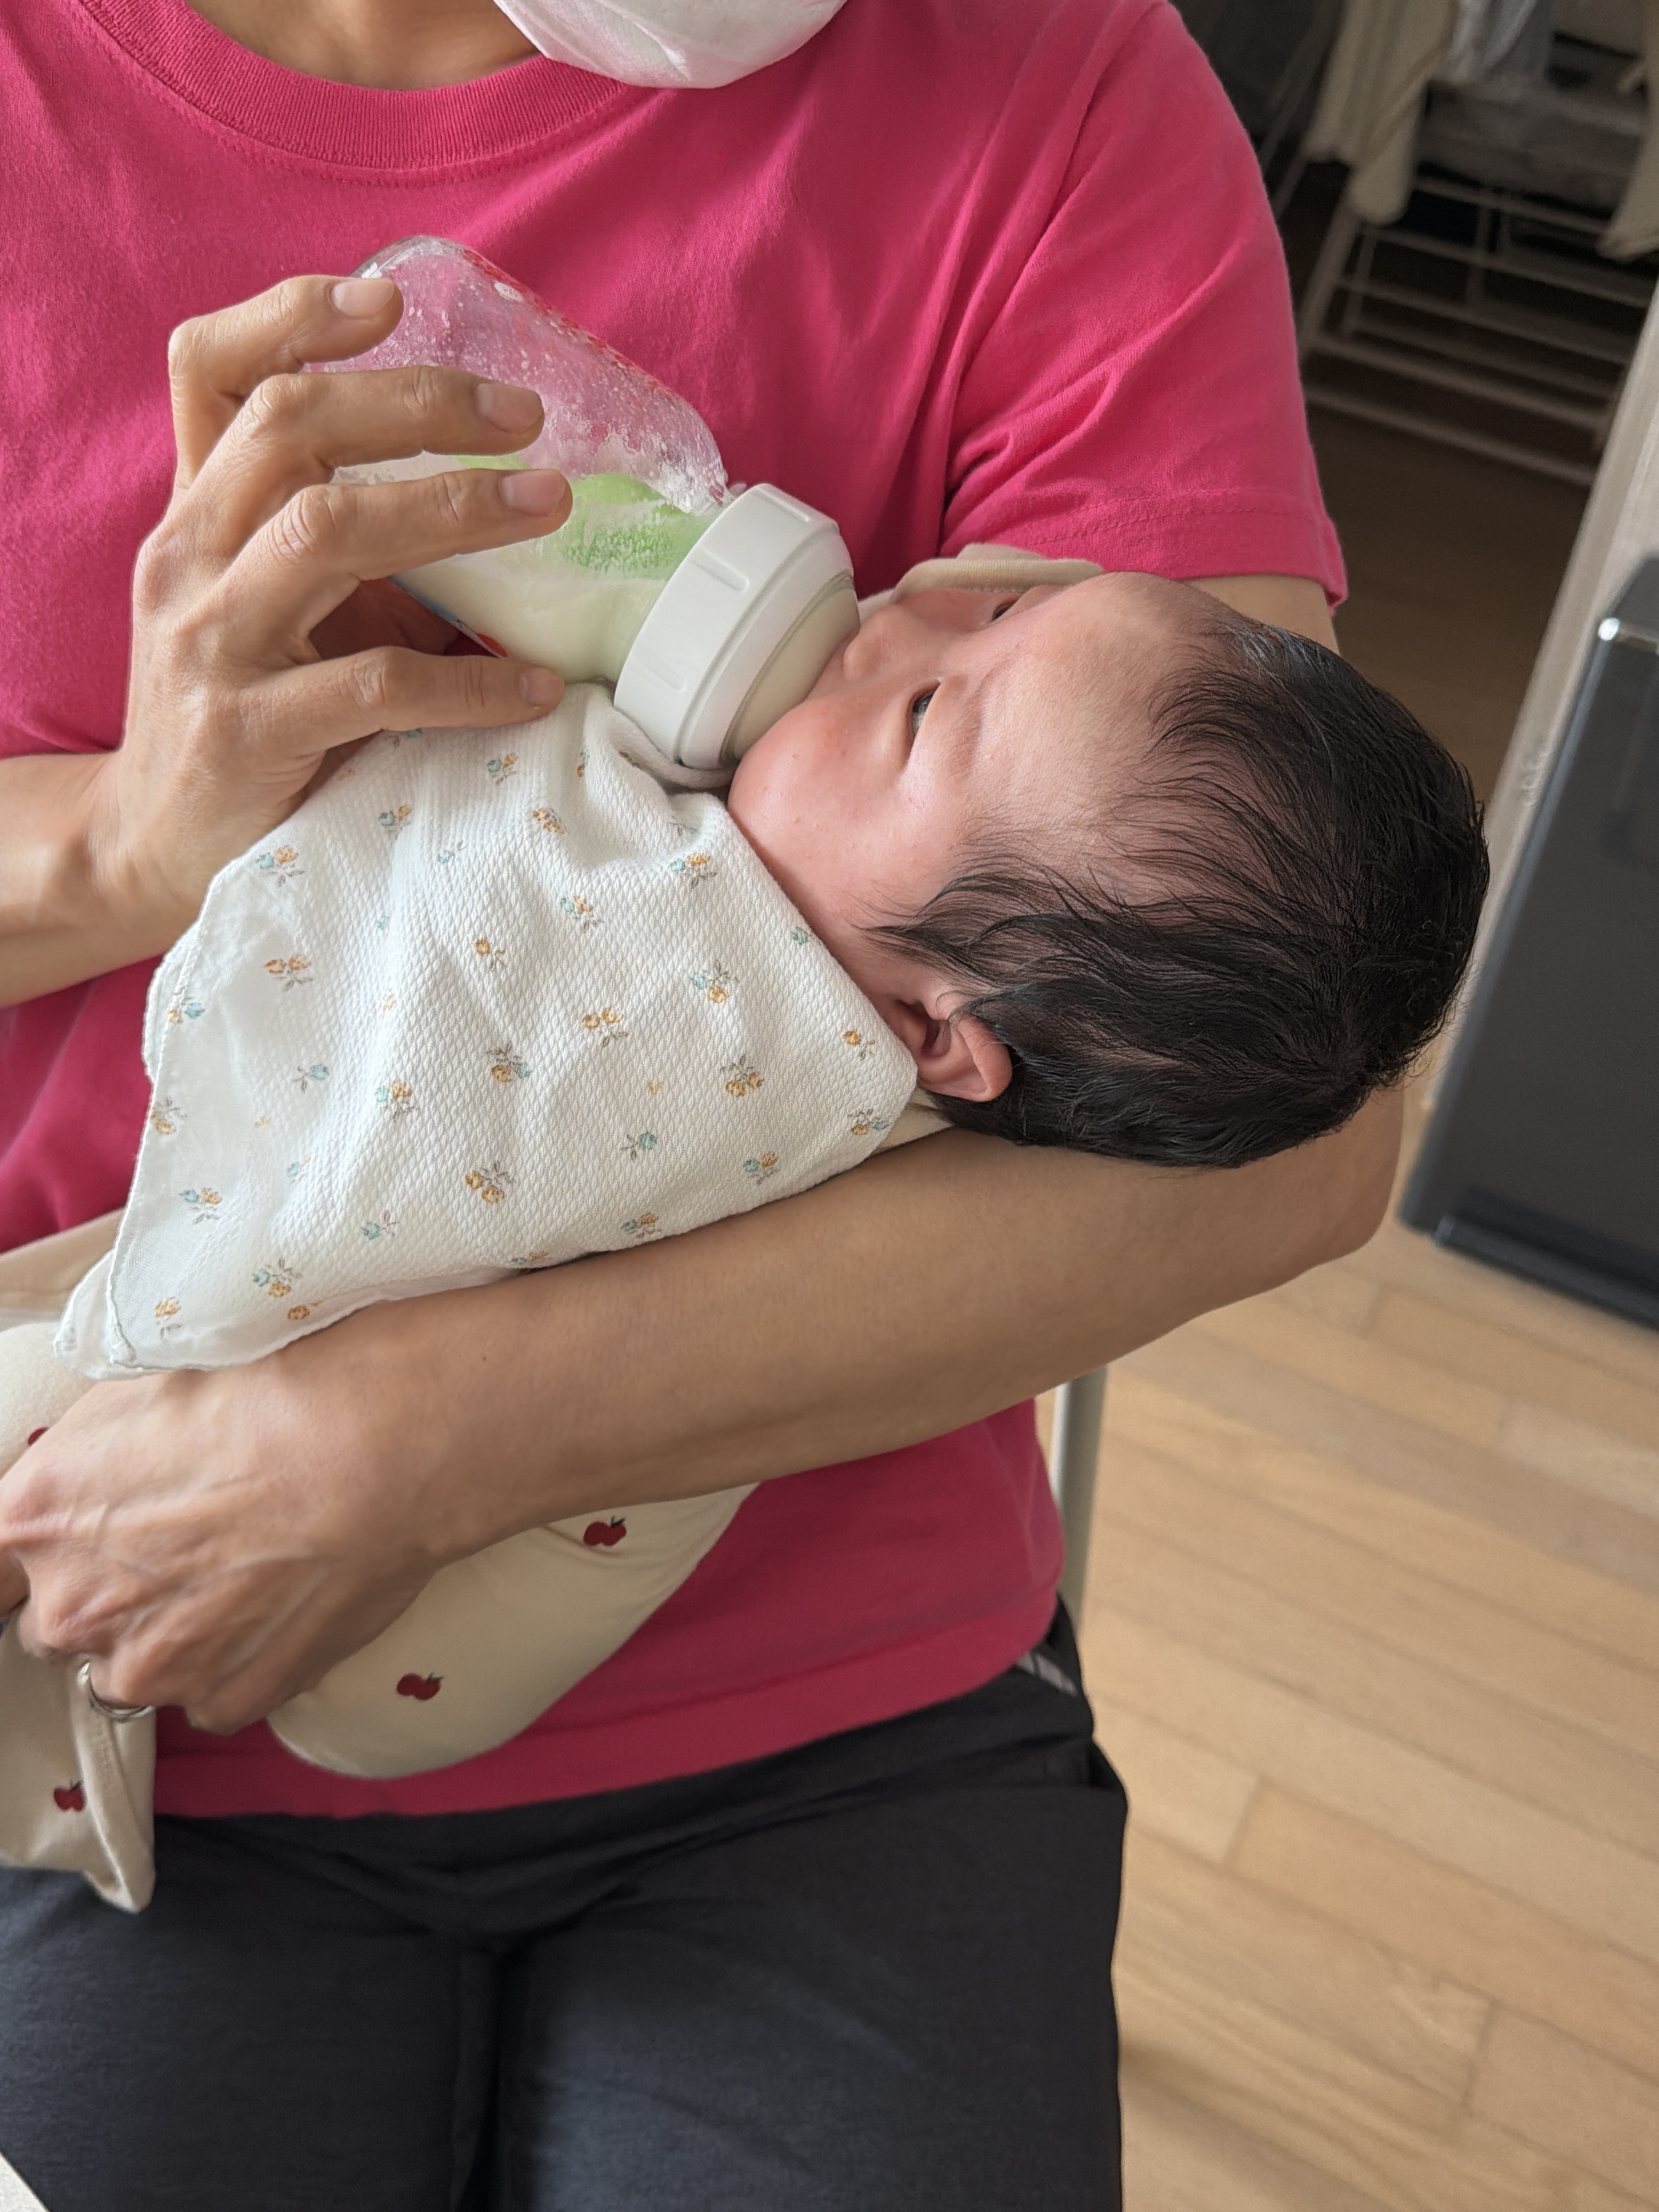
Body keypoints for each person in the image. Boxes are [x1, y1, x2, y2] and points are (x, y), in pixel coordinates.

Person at [0, 1, 1401, 2204]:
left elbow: (1290, 1109)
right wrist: (124, 842)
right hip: (114, 1633)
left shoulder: (1052, 82)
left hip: (824, 1685)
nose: (905, 617)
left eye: (963, 662)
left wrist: (401, 1441)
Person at [0, 556, 1483, 1901]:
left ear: (929, 1031)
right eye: (1001, 606)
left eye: (923, 713)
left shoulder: (720, 1028)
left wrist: (392, 1432)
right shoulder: (934, 861)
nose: (898, 615)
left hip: (568, 1664)